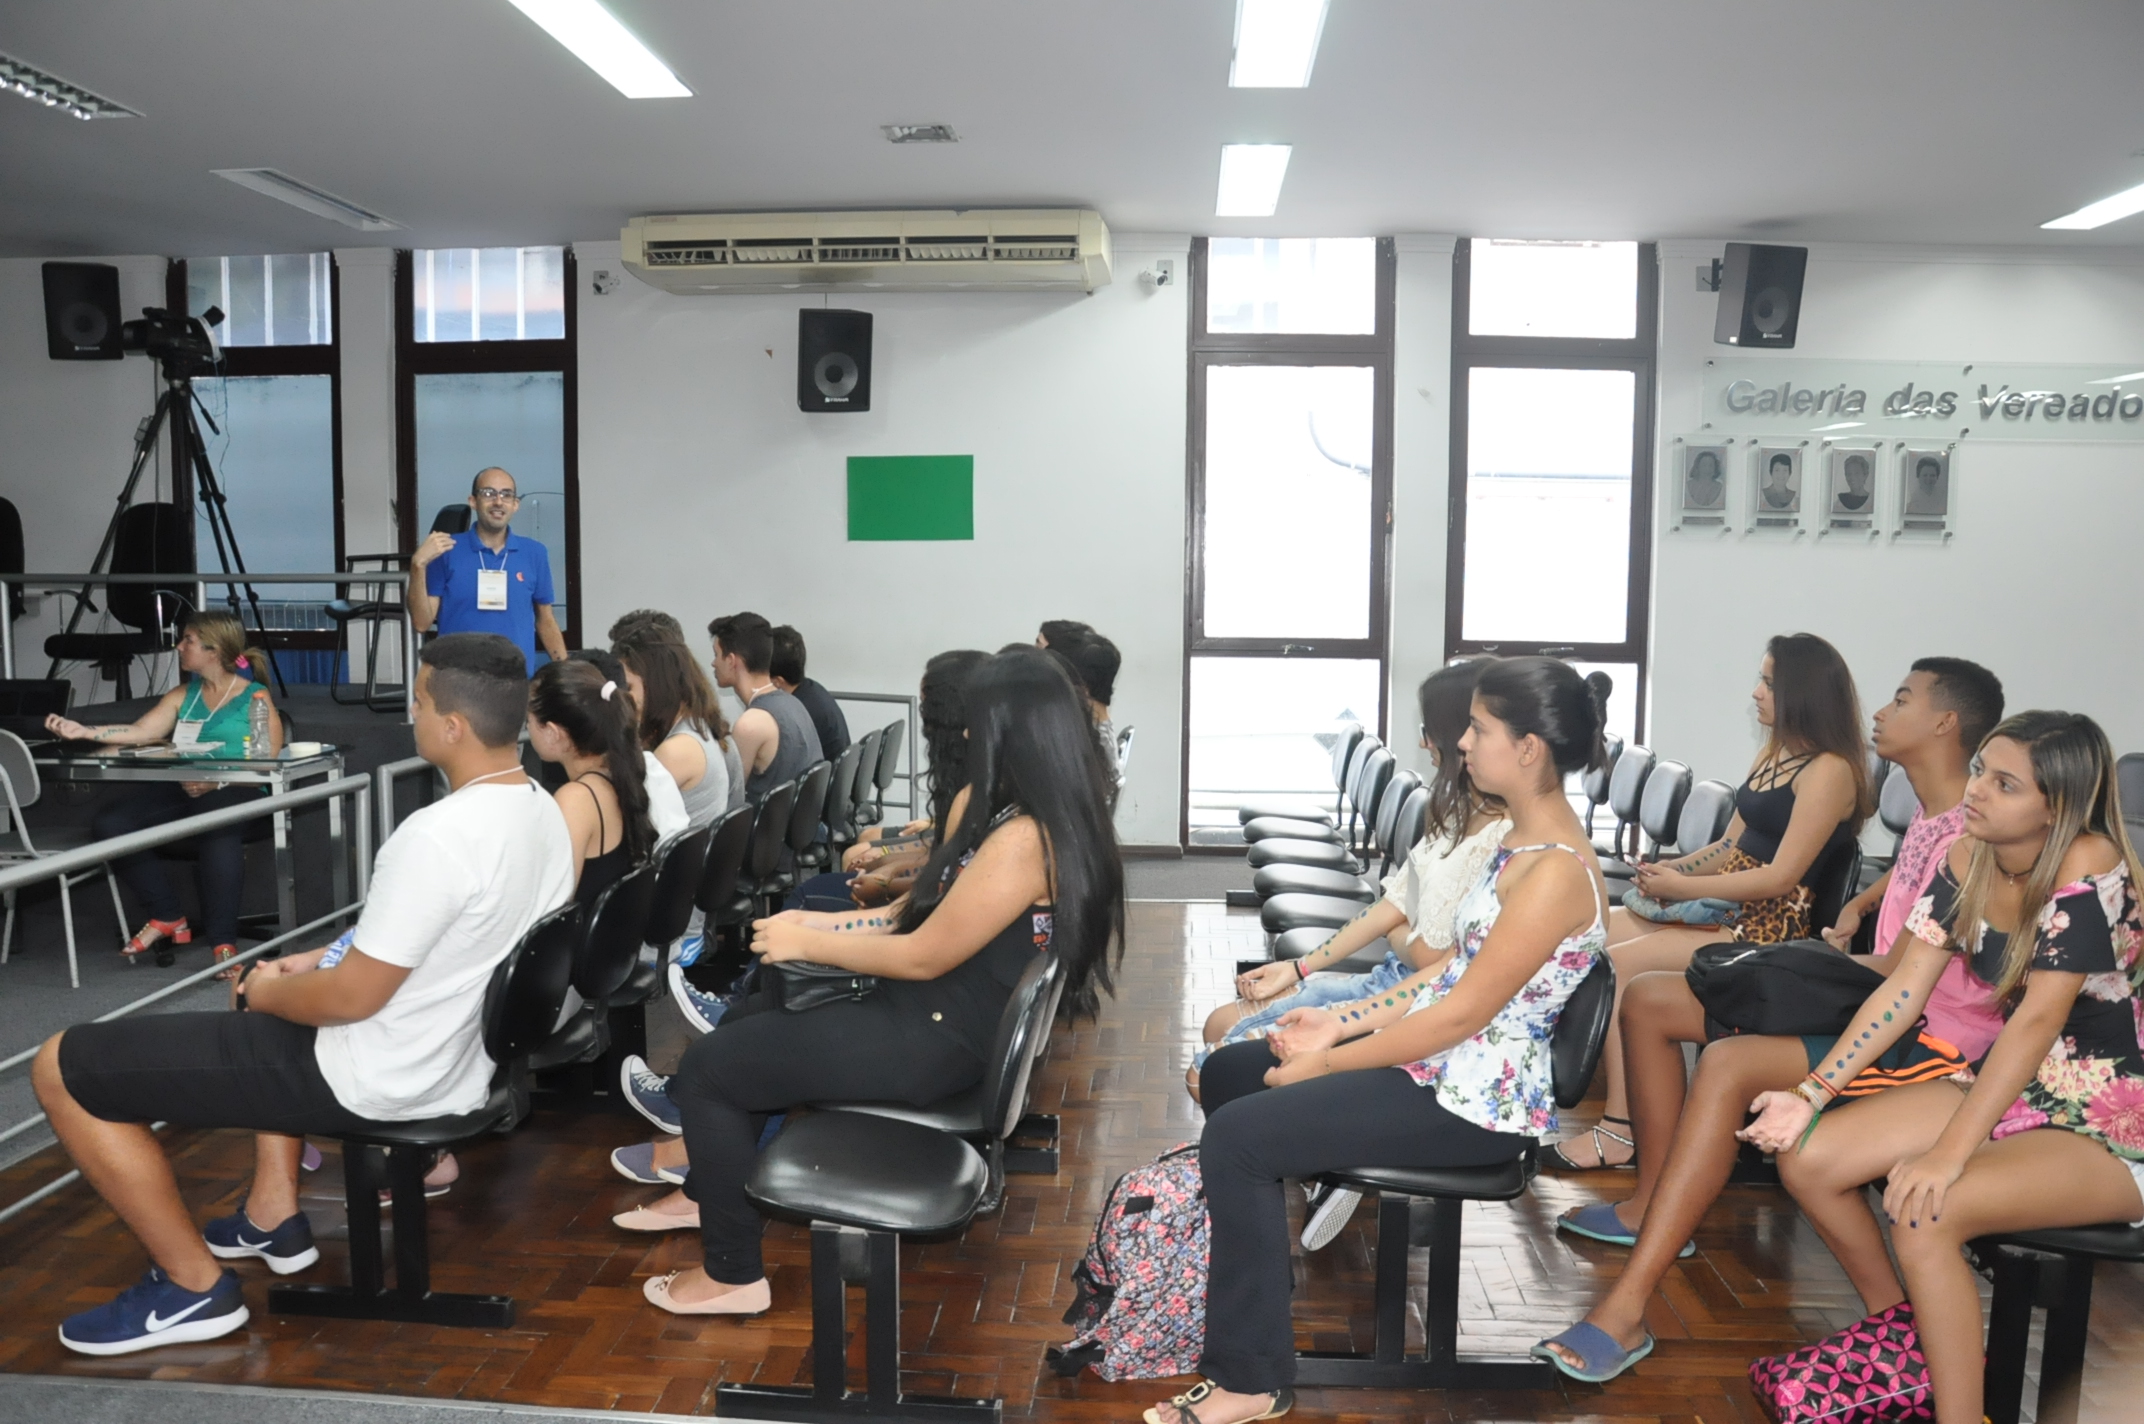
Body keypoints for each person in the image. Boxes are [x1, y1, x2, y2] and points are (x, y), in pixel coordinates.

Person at [32, 634, 573, 1355]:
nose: (410, 713)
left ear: (453, 726)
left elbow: (349, 1001)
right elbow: (431, 942)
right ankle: (272, 1214)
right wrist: (308, 968)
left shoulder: (438, 835)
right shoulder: (544, 811)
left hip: (372, 1074)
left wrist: (262, 990)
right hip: (458, 1062)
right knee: (279, 1000)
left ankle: (194, 1287)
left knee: (63, 1065)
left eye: (416, 701)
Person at [1158, 658, 1608, 1424]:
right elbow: (1444, 977)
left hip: (1473, 1104)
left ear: (1529, 748)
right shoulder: (1514, 844)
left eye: (1479, 729)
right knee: (1237, 1070)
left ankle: (1250, 1379)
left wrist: (1325, 1062)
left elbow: (1462, 1013)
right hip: (1440, 1066)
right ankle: (1259, 1256)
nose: (1462, 743)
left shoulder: (1556, 874)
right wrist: (1336, 1020)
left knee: (1236, 1137)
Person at [1534, 657, 2005, 1382]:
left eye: (1903, 698)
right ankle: (1650, 1203)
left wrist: (1792, 964)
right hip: (1868, 1006)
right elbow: (1907, 892)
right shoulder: (1939, 816)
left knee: (1729, 1059)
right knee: (1651, 998)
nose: (1881, 710)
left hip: (1923, 1043)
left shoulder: (1971, 836)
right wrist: (1859, 905)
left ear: (1945, 722)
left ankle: (1626, 1310)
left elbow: (1906, 981)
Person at [614, 651, 1124, 1318]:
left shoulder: (1026, 838)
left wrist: (814, 941)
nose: (967, 736)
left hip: (938, 1039)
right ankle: (712, 1177)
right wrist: (820, 927)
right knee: (765, 998)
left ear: (1015, 729)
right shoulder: (1018, 813)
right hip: (934, 1015)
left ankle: (732, 1273)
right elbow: (908, 912)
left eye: (978, 723)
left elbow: (922, 955)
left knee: (711, 1068)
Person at [1743, 711, 2144, 1424]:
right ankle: (1917, 1337)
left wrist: (1947, 1156)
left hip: (2108, 1113)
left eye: (2004, 782)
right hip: (2014, 1083)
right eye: (1982, 769)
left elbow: (2040, 1019)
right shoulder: (1969, 855)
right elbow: (1903, 989)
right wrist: (1812, 1092)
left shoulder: (2089, 862)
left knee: (1926, 1212)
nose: (1977, 791)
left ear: (2057, 806)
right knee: (1808, 1158)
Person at [1548, 633, 1871, 1169]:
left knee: (1621, 968)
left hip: (1767, 929)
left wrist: (1685, 888)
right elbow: (1729, 847)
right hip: (1730, 908)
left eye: (1768, 682)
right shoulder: (1777, 754)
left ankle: (1622, 1131)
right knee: (1593, 933)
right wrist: (1671, 869)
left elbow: (1779, 877)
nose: (1756, 693)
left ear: (1802, 691)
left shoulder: (1829, 771)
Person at [1190, 662, 1506, 1097]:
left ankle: (1277, 1144)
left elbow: (1438, 961)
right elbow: (1393, 910)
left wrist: (1404, 935)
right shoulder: (1453, 814)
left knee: (1210, 1069)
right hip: (1389, 978)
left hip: (1413, 1006)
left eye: (1428, 728)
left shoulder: (1501, 839)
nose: (1422, 740)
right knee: (1216, 1035)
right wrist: (1298, 967)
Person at [47, 611, 284, 973]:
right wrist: (85, 731)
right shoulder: (182, 694)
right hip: (188, 791)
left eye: (187, 640)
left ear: (213, 650)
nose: (179, 646)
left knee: (215, 825)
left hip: (242, 792)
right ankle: (167, 914)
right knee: (112, 824)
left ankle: (223, 943)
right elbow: (140, 731)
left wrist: (216, 782)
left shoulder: (255, 696)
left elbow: (267, 764)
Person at [408, 468, 566, 676]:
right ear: (473, 501)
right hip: (458, 678)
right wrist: (417, 565)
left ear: (515, 505)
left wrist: (568, 671)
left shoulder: (534, 553)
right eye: (489, 493)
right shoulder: (447, 550)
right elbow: (422, 622)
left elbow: (546, 620)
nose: (498, 502)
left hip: (513, 677)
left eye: (506, 494)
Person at [617, 634, 741, 827]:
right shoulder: (699, 726)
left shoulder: (676, 750)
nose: (623, 697)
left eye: (629, 687)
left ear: (656, 686)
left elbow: (623, 819)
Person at [708, 611, 822, 803]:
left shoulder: (750, 724)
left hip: (765, 831)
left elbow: (728, 800)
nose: (713, 663)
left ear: (731, 661)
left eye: (716, 655)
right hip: (800, 829)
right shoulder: (793, 703)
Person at [769, 624, 850, 763]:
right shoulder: (813, 690)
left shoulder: (797, 714)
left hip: (822, 783)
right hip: (838, 780)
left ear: (777, 681)